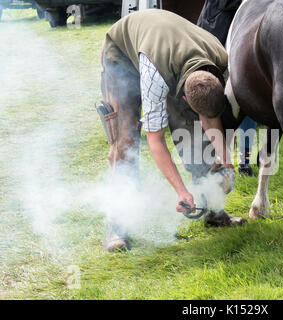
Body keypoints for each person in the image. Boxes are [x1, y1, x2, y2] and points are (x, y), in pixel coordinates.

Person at [99, 9, 237, 251]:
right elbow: (156, 141)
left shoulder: (219, 56)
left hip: (170, 56)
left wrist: (226, 163)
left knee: (192, 130)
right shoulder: (156, 78)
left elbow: (210, 119)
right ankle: (117, 225)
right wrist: (181, 191)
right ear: (184, 97)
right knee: (125, 142)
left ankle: (212, 209)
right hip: (123, 55)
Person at [197, 0, 257, 176]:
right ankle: (217, 158)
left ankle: (244, 161)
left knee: (248, 104)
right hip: (216, 46)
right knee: (213, 108)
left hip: (239, 47)